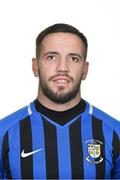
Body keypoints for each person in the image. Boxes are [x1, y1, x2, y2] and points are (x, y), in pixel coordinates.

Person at [0, 23, 120, 179]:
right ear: (35, 66)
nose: (62, 67)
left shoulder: (114, 132)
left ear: (85, 70)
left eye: (74, 58)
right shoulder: (4, 133)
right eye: (51, 57)